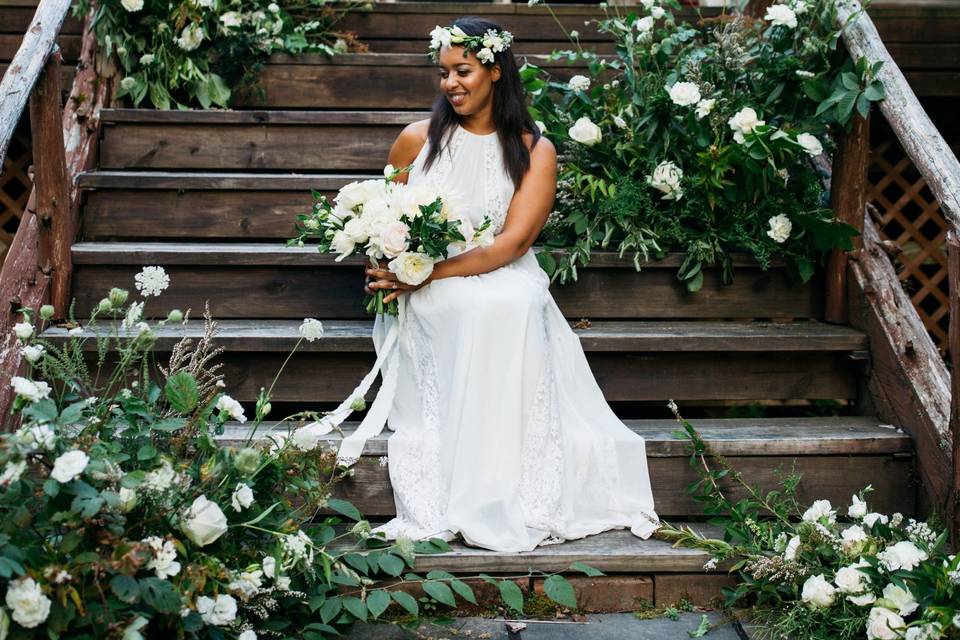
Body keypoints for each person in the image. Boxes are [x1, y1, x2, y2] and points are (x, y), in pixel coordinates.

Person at [354, 17, 660, 553]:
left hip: (486, 268)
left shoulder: (532, 150)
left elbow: (513, 243)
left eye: (463, 71)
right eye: (444, 72)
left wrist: (432, 272)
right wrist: (385, 262)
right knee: (470, 310)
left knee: (515, 300)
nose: (451, 83)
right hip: (421, 284)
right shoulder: (414, 141)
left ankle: (502, 475)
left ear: (495, 71)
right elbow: (383, 217)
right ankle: (468, 473)